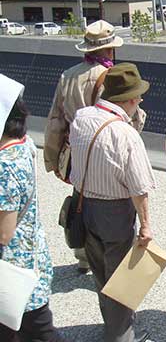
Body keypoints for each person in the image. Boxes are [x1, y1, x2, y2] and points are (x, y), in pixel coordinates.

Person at [44, 19, 145, 274]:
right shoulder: (109, 78)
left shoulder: (68, 75)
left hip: (74, 147)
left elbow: (55, 119)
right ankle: (110, 259)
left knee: (81, 194)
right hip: (105, 146)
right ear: (109, 50)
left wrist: (53, 159)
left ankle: (83, 254)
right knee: (109, 198)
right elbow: (126, 115)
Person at [69, 63, 155, 342]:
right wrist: (146, 226)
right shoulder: (125, 133)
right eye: (138, 97)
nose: (140, 100)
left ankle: (112, 325)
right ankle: (120, 336)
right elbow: (139, 188)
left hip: (83, 205)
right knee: (122, 278)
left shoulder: (81, 117)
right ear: (129, 100)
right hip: (115, 211)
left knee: (100, 272)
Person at [0, 75, 65, 342]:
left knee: (36, 330)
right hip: (32, 255)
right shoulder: (24, 144)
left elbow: (3, 232)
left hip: (12, 271)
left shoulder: (4, 165)